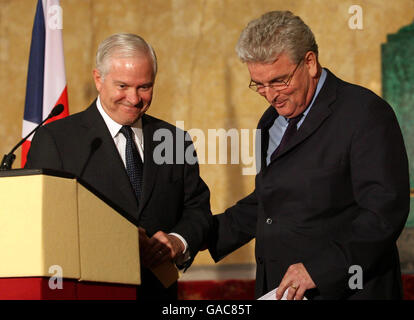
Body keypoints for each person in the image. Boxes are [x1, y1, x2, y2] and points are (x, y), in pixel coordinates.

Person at [208, 11, 410, 300]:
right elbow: (270, 203)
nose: (269, 95)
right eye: (259, 84)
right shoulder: (270, 121)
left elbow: (383, 213)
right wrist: (193, 236)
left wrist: (319, 269)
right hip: (279, 291)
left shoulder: (365, 114)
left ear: (310, 63)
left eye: (279, 81)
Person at [25, 33, 211, 300]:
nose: (134, 99)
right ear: (98, 79)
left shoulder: (174, 139)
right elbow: (43, 223)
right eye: (123, 86)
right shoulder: (56, 139)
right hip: (88, 292)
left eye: (144, 87)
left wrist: (177, 240)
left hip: (158, 294)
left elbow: (198, 209)